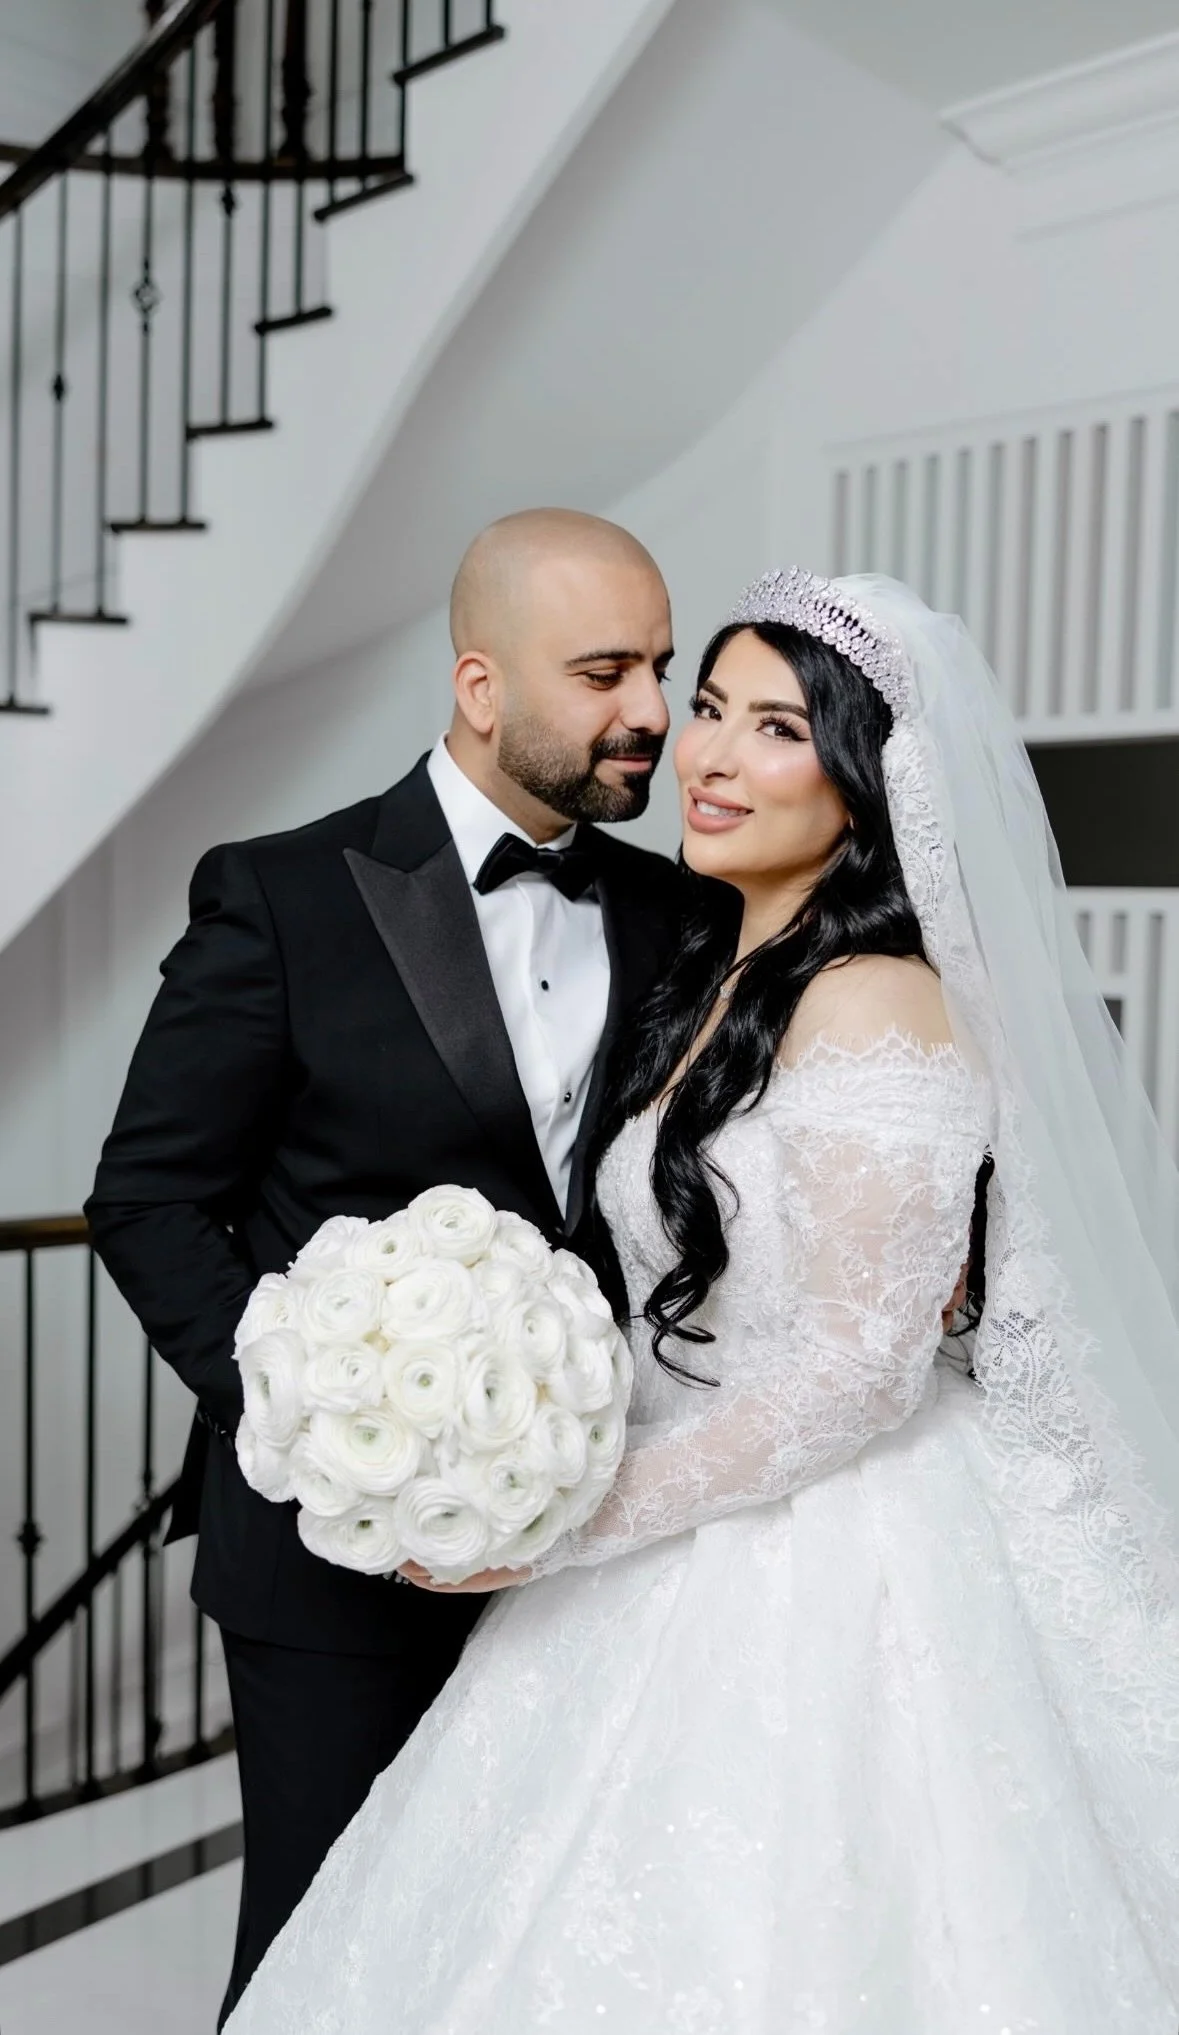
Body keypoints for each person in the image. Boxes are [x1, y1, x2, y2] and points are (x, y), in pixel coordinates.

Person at [226, 569, 1179, 2033]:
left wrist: (570, 1523)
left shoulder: (876, 999)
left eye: (776, 728)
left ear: (862, 785)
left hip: (832, 1546)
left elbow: (859, 1372)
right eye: (711, 710)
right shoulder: (718, 970)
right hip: (677, 1484)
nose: (710, 756)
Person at [84, 508, 683, 2028]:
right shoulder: (281, 896)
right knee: (329, 1950)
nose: (652, 715)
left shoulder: (686, 917)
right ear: (480, 687)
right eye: (605, 670)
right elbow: (150, 1197)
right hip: (328, 1561)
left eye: (662, 669)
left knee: (538, 1947)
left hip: (594, 1557)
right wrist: (328, 1434)